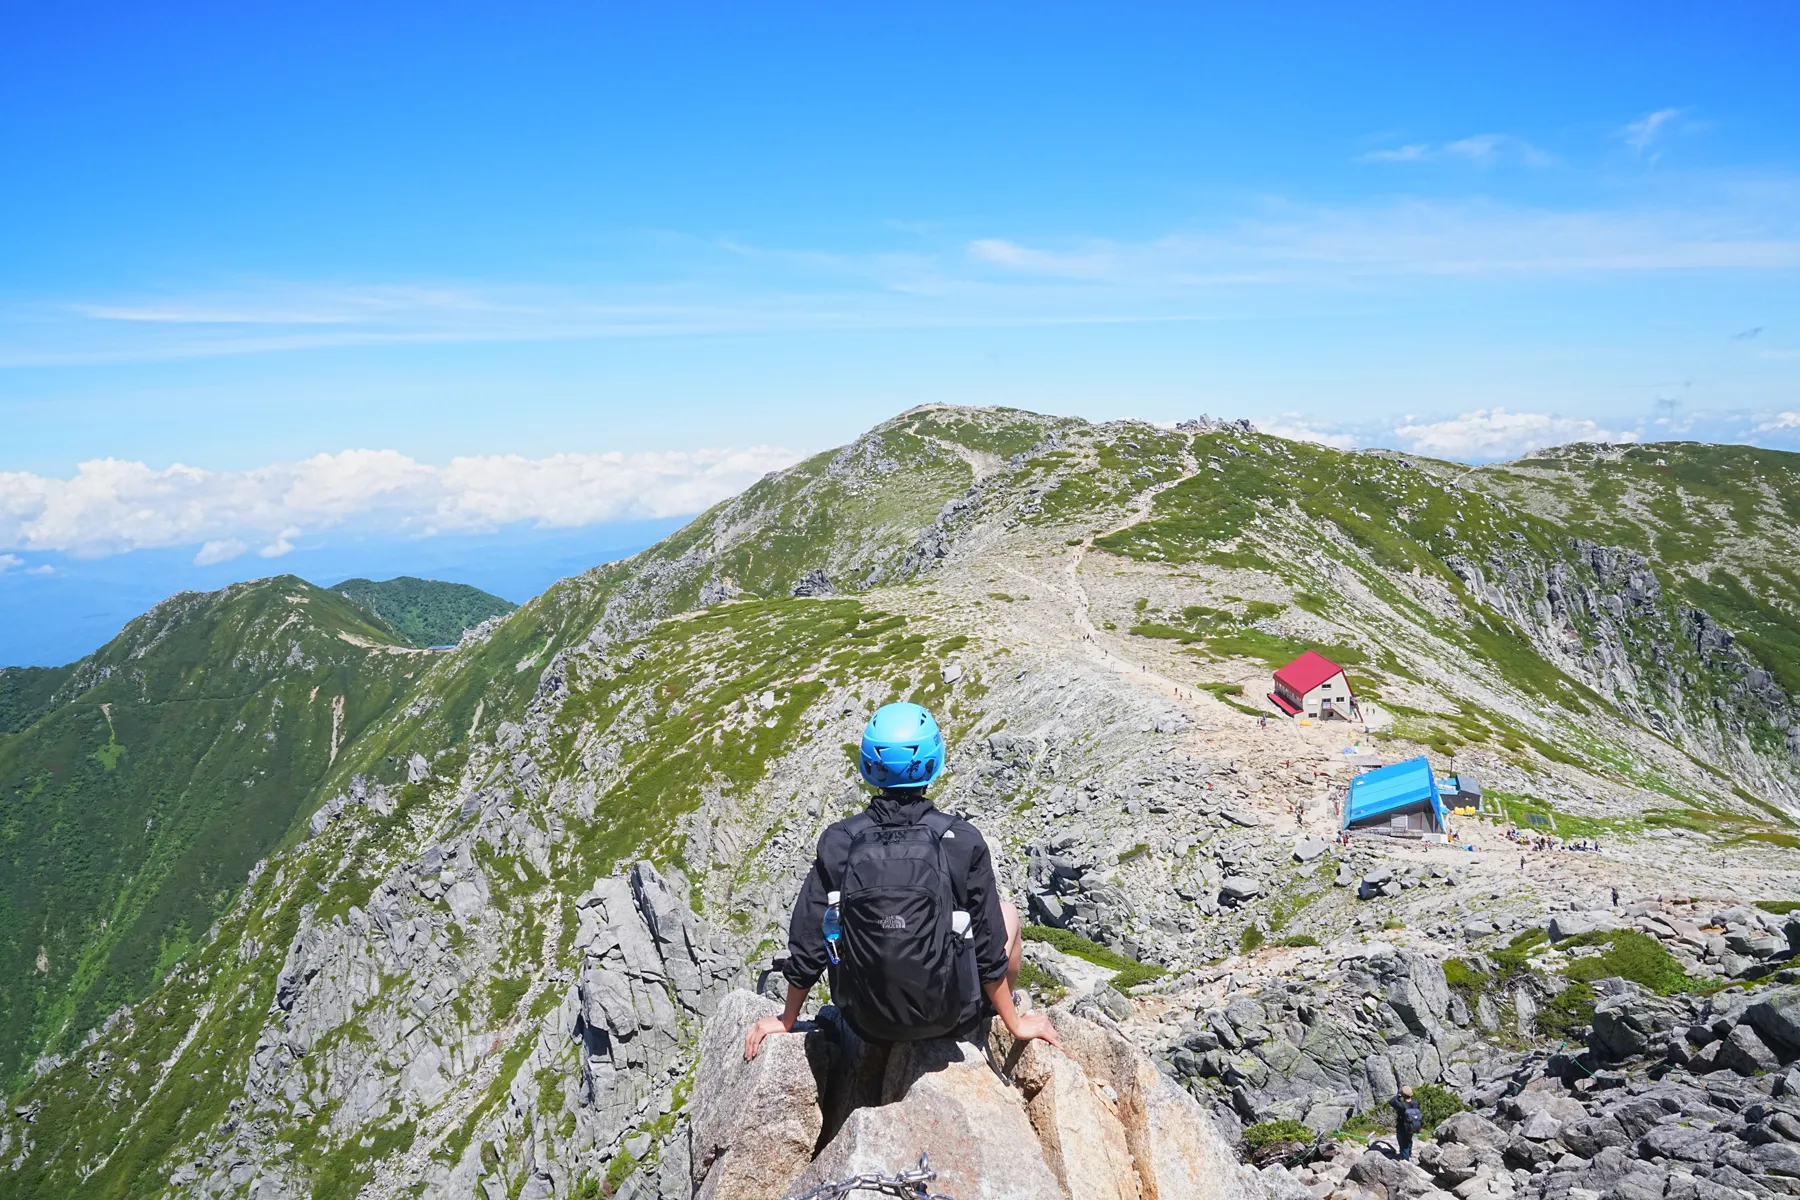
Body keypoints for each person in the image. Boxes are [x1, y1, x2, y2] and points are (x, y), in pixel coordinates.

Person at [745, 702, 1060, 1062]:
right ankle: (999, 1008)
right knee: (1008, 914)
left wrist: (787, 1020)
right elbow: (989, 948)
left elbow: (809, 939)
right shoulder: (962, 839)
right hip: (951, 1017)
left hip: (865, 1020)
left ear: (868, 767)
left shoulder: (839, 840)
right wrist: (1015, 1023)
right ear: (933, 764)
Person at [1391, 1085, 1422, 1160]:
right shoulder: (1416, 1103)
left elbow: (1392, 1101)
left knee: (1403, 1145)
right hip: (1412, 1126)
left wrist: (1398, 1095)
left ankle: (1405, 1161)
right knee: (1409, 1141)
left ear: (1403, 1095)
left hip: (1402, 1128)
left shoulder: (1402, 1106)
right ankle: (1409, 1154)